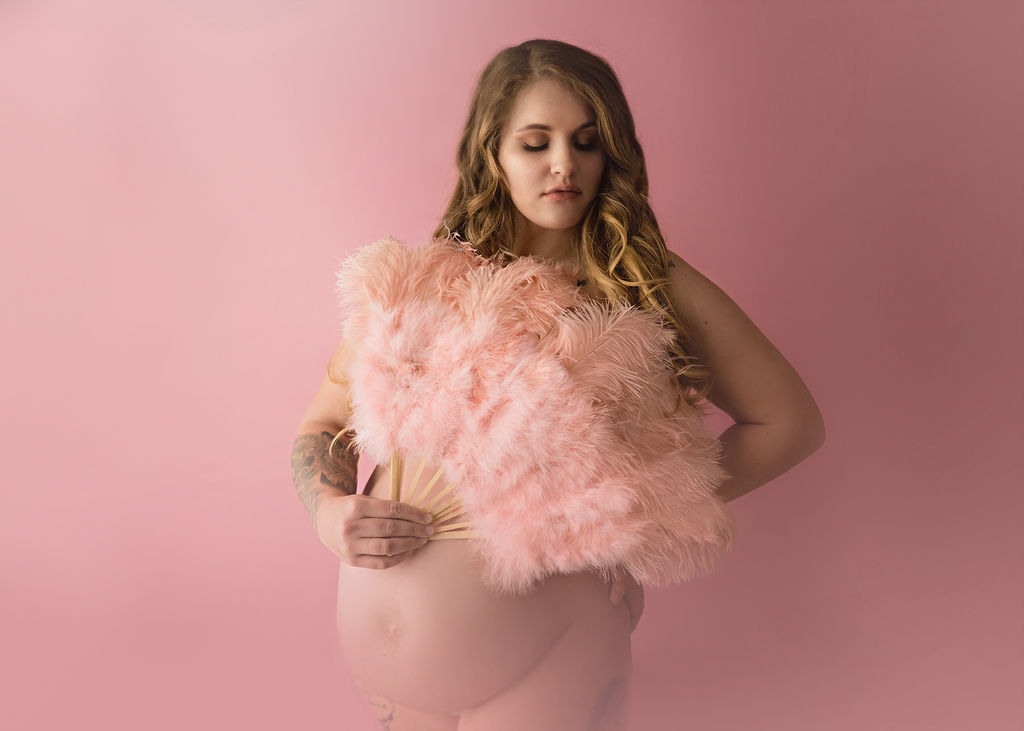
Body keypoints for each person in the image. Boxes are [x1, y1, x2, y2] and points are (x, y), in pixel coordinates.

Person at [290, 39, 825, 731]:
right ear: (494, 153)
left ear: (611, 155)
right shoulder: (424, 281)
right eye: (535, 143)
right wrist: (329, 513)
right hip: (394, 681)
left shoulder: (647, 286)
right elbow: (323, 427)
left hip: (554, 654)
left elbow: (790, 421)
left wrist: (635, 509)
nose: (564, 165)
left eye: (586, 142)